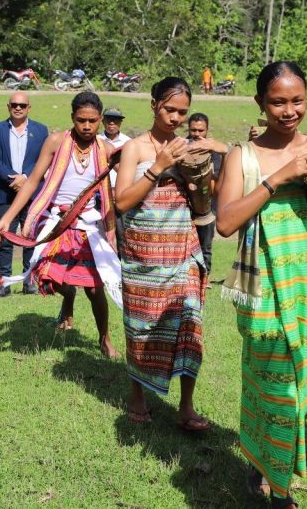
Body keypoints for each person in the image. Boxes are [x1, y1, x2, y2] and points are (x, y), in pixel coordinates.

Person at [216, 61, 307, 509]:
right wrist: (280, 177)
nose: (289, 111)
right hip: (262, 285)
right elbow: (226, 222)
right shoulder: (242, 156)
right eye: (278, 102)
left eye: (297, 100)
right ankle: (280, 492)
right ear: (260, 103)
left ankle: (260, 456)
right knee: (276, 390)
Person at [0, 92, 120, 358]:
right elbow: (32, 181)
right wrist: (6, 219)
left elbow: (125, 184)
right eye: (81, 120)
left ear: (100, 119)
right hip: (56, 223)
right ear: (72, 117)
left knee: (94, 288)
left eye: (92, 121)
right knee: (48, 276)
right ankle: (68, 296)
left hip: (88, 226)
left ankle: (104, 339)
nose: (87, 126)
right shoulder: (56, 141)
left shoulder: (106, 149)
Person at [116, 79, 211, 432]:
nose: (175, 118)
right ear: (154, 104)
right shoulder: (134, 148)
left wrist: (197, 180)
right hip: (143, 253)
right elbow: (122, 201)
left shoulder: (187, 147)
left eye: (182, 112)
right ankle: (137, 396)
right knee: (142, 325)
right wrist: (158, 166)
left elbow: (202, 205)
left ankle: (186, 407)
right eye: (169, 109)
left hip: (183, 248)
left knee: (189, 326)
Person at [0, 92, 49, 297]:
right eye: (14, 104)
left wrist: (26, 177)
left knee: (30, 237)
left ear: (29, 107)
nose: (18, 108)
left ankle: (29, 281)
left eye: (22, 105)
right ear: (8, 107)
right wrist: (13, 179)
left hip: (33, 193)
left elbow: (44, 158)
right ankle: (4, 283)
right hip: (6, 192)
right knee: (5, 239)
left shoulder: (41, 130)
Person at [185, 112, 228, 275]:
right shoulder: (182, 148)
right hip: (185, 204)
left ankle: (205, 277)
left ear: (207, 130)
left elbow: (215, 180)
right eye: (193, 130)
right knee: (185, 243)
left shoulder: (213, 151)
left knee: (205, 244)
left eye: (201, 130)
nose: (197, 134)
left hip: (208, 205)